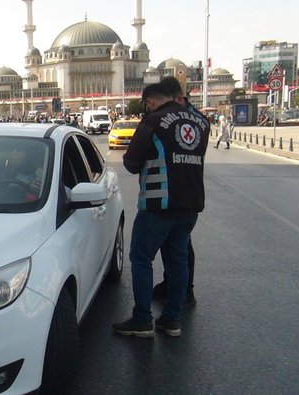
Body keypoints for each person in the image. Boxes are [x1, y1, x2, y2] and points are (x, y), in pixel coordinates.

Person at [112, 83, 208, 338]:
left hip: (159, 204)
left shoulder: (153, 121)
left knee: (141, 259)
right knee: (178, 262)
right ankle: (172, 320)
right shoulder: (201, 123)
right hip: (191, 205)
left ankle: (143, 320)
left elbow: (132, 163)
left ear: (150, 101)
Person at [152, 76, 206, 307]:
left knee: (182, 245)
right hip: (183, 190)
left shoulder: (191, 119)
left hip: (180, 190)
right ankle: (172, 282)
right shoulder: (194, 117)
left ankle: (186, 289)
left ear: (178, 98)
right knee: (174, 243)